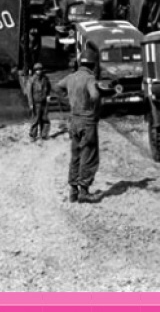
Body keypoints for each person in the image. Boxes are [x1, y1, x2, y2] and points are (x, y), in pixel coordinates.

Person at [54, 49, 109, 203]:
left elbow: (58, 87)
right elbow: (95, 95)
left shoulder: (71, 77)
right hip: (87, 122)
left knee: (76, 155)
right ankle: (84, 191)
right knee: (89, 155)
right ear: (93, 64)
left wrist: (68, 100)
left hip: (74, 121)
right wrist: (93, 106)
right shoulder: (90, 79)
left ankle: (73, 190)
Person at [27, 63, 52, 142]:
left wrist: (48, 95)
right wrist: (31, 104)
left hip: (44, 102)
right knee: (35, 120)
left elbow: (49, 87)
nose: (39, 71)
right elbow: (29, 93)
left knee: (45, 119)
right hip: (36, 103)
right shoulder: (31, 80)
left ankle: (44, 135)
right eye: (37, 70)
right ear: (35, 71)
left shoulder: (45, 78)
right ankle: (33, 136)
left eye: (40, 69)